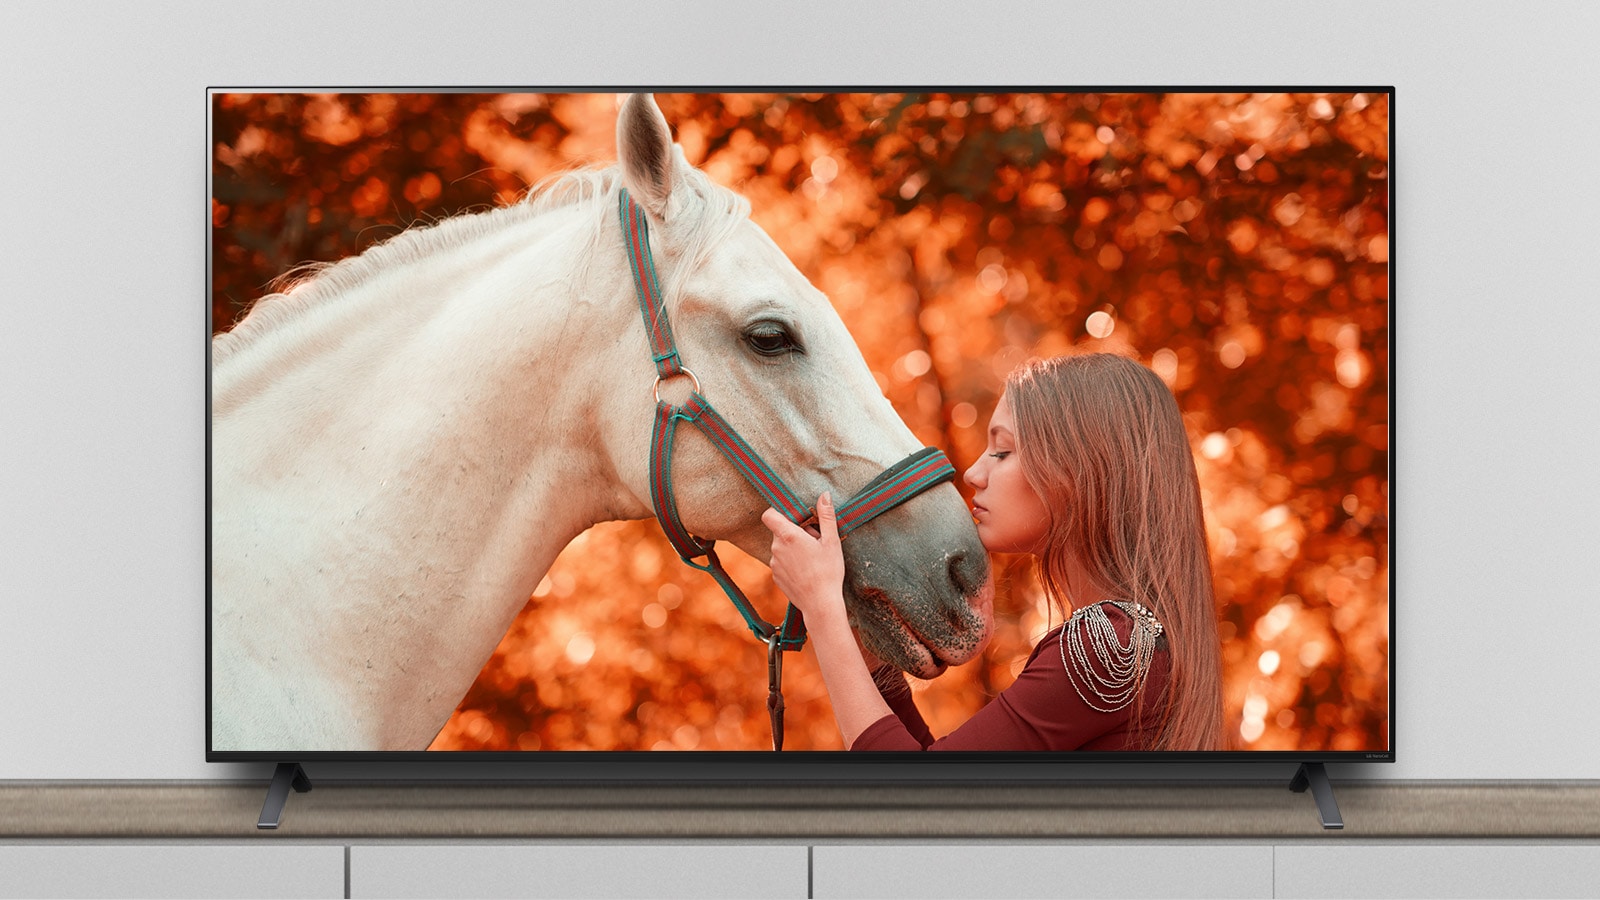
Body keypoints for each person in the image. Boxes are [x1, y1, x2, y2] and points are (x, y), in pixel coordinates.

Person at [761, 353, 1226, 751]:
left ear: (1079, 472)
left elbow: (917, 802)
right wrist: (865, 645)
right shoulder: (1135, 640)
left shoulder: (1108, 647)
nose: (974, 474)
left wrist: (821, 608)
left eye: (1002, 452)